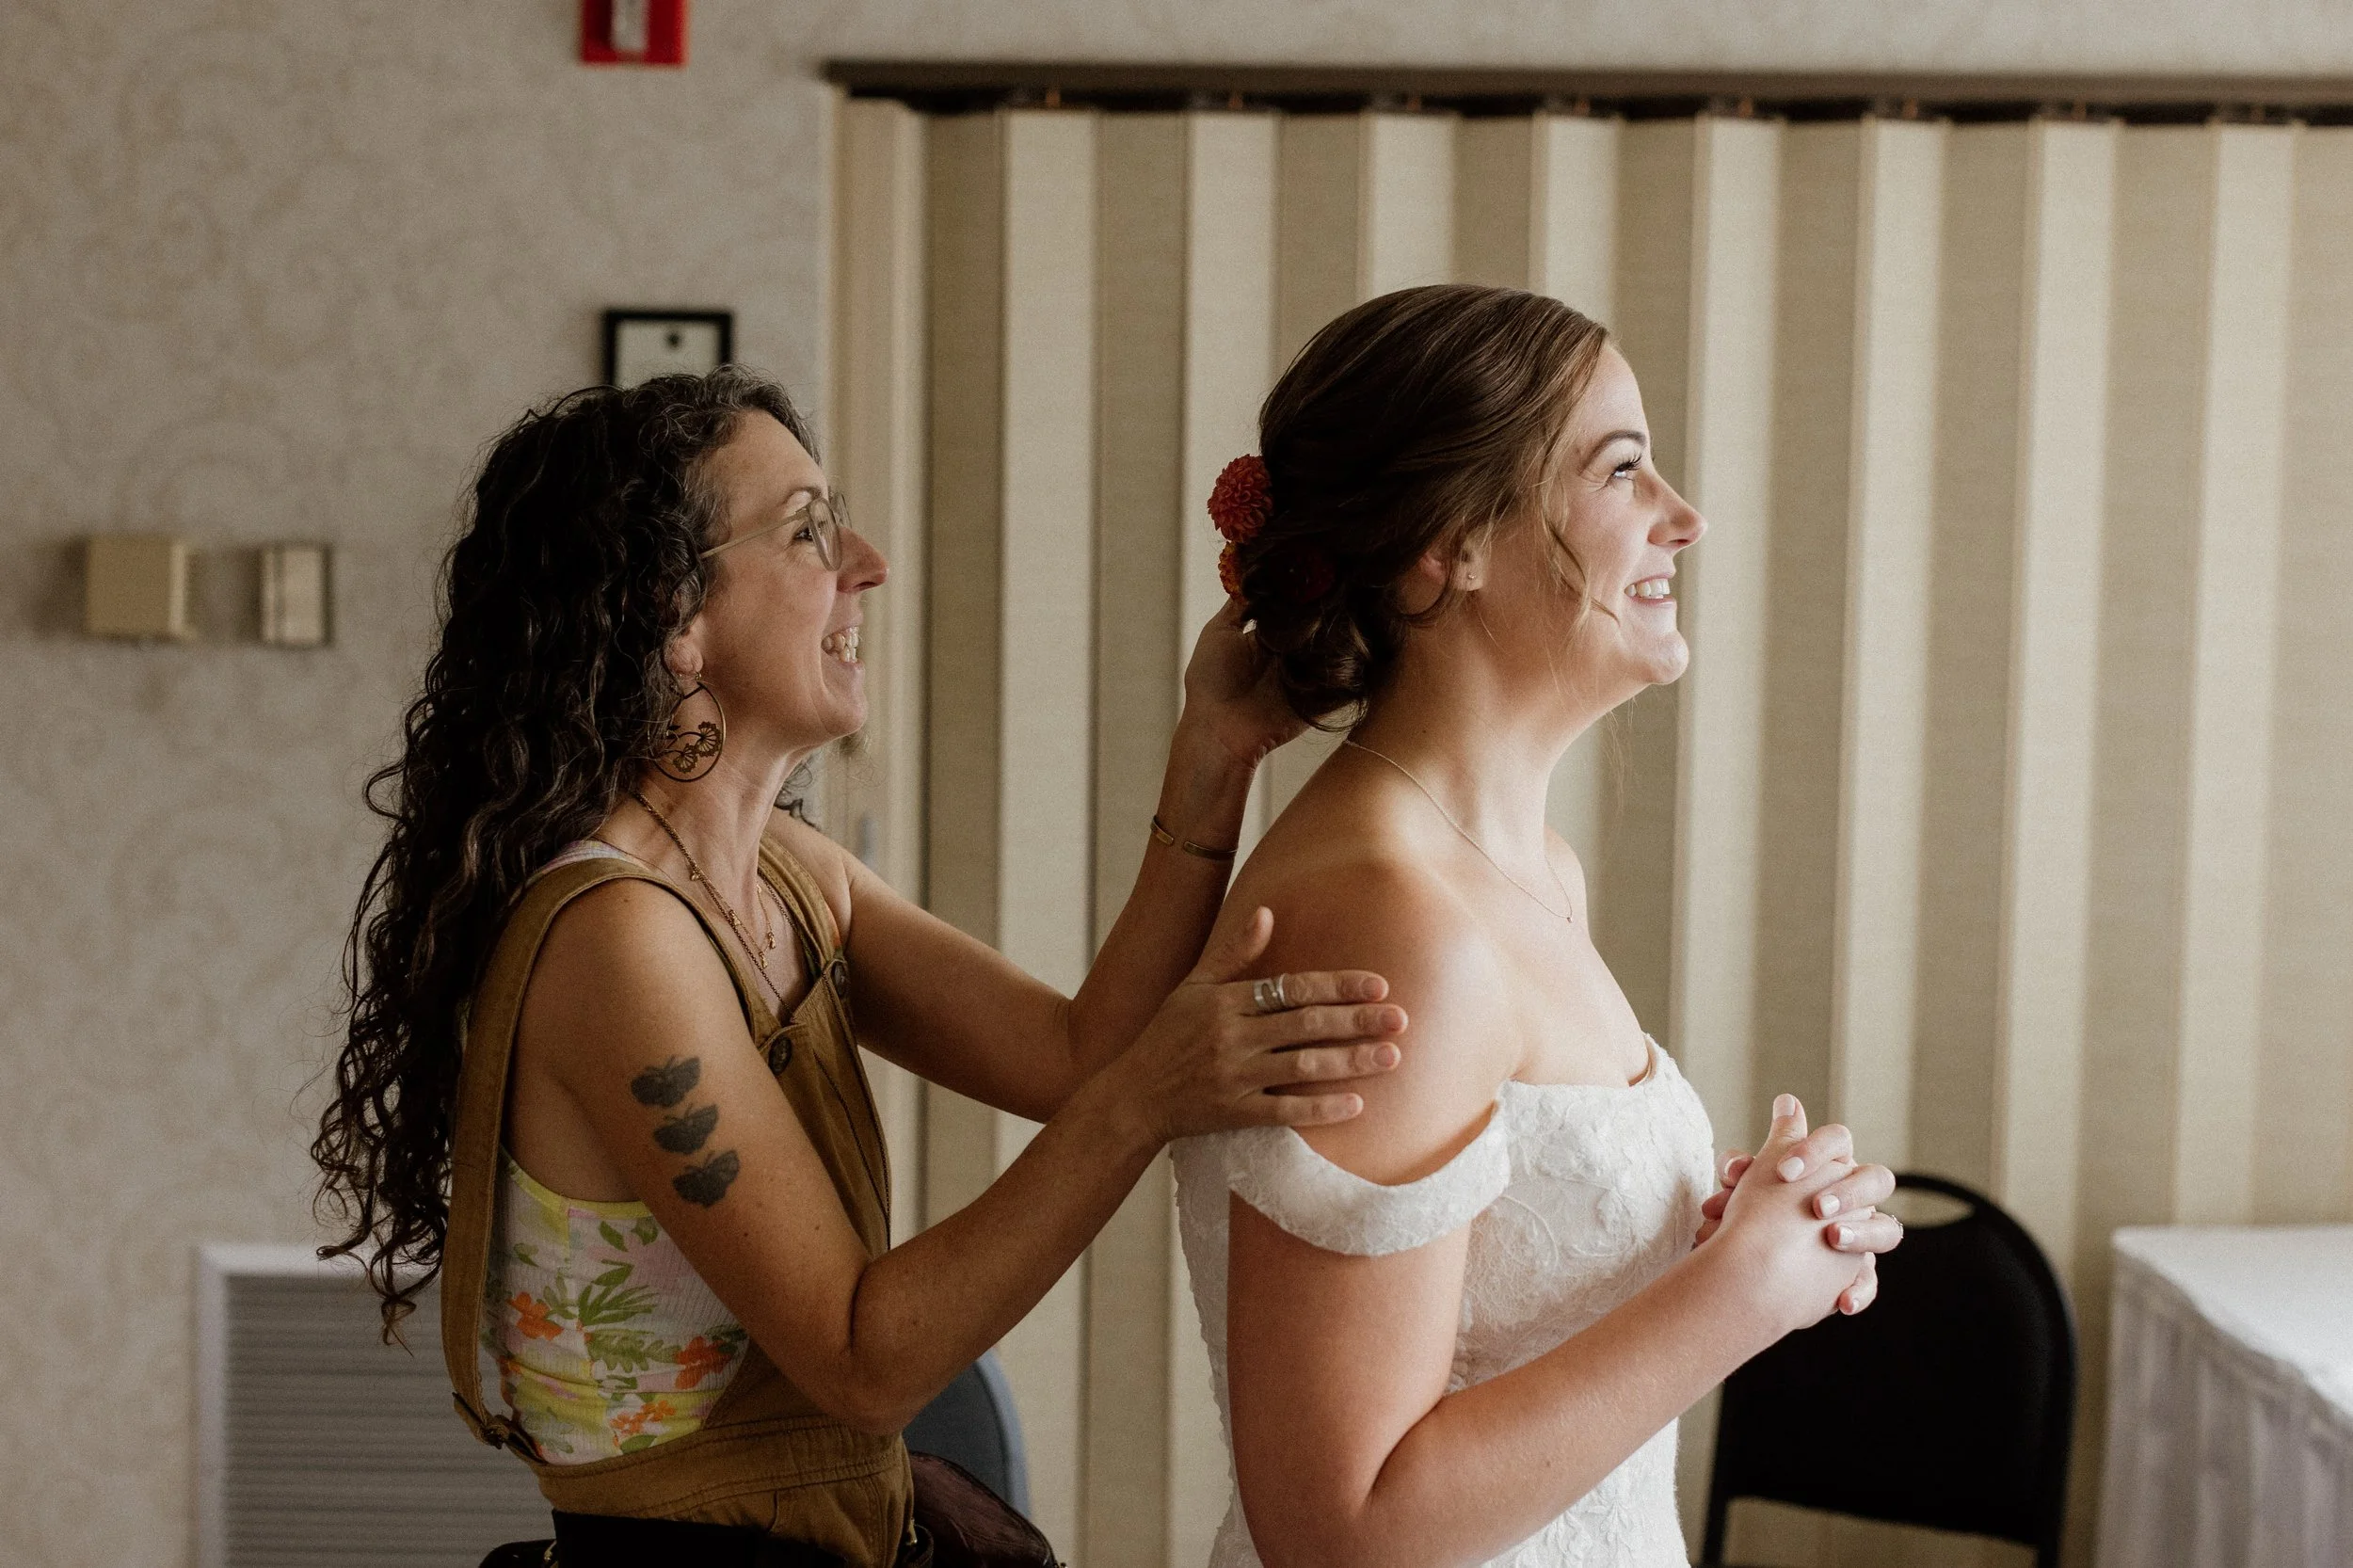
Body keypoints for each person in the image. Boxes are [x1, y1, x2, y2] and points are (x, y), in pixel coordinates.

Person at [312, 368, 1409, 1567]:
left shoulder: (793, 871)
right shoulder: (616, 939)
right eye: (806, 528)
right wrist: (1152, 1094)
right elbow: (863, 1360)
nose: (868, 561)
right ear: (673, 614)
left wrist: (1215, 753)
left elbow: (1073, 1055)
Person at [1170, 284, 1905, 1568]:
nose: (1687, 516)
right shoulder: (1390, 921)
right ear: (1446, 544)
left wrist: (1738, 1233)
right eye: (1625, 470)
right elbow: (1338, 1524)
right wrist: (1734, 1297)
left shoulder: (1533, 871)